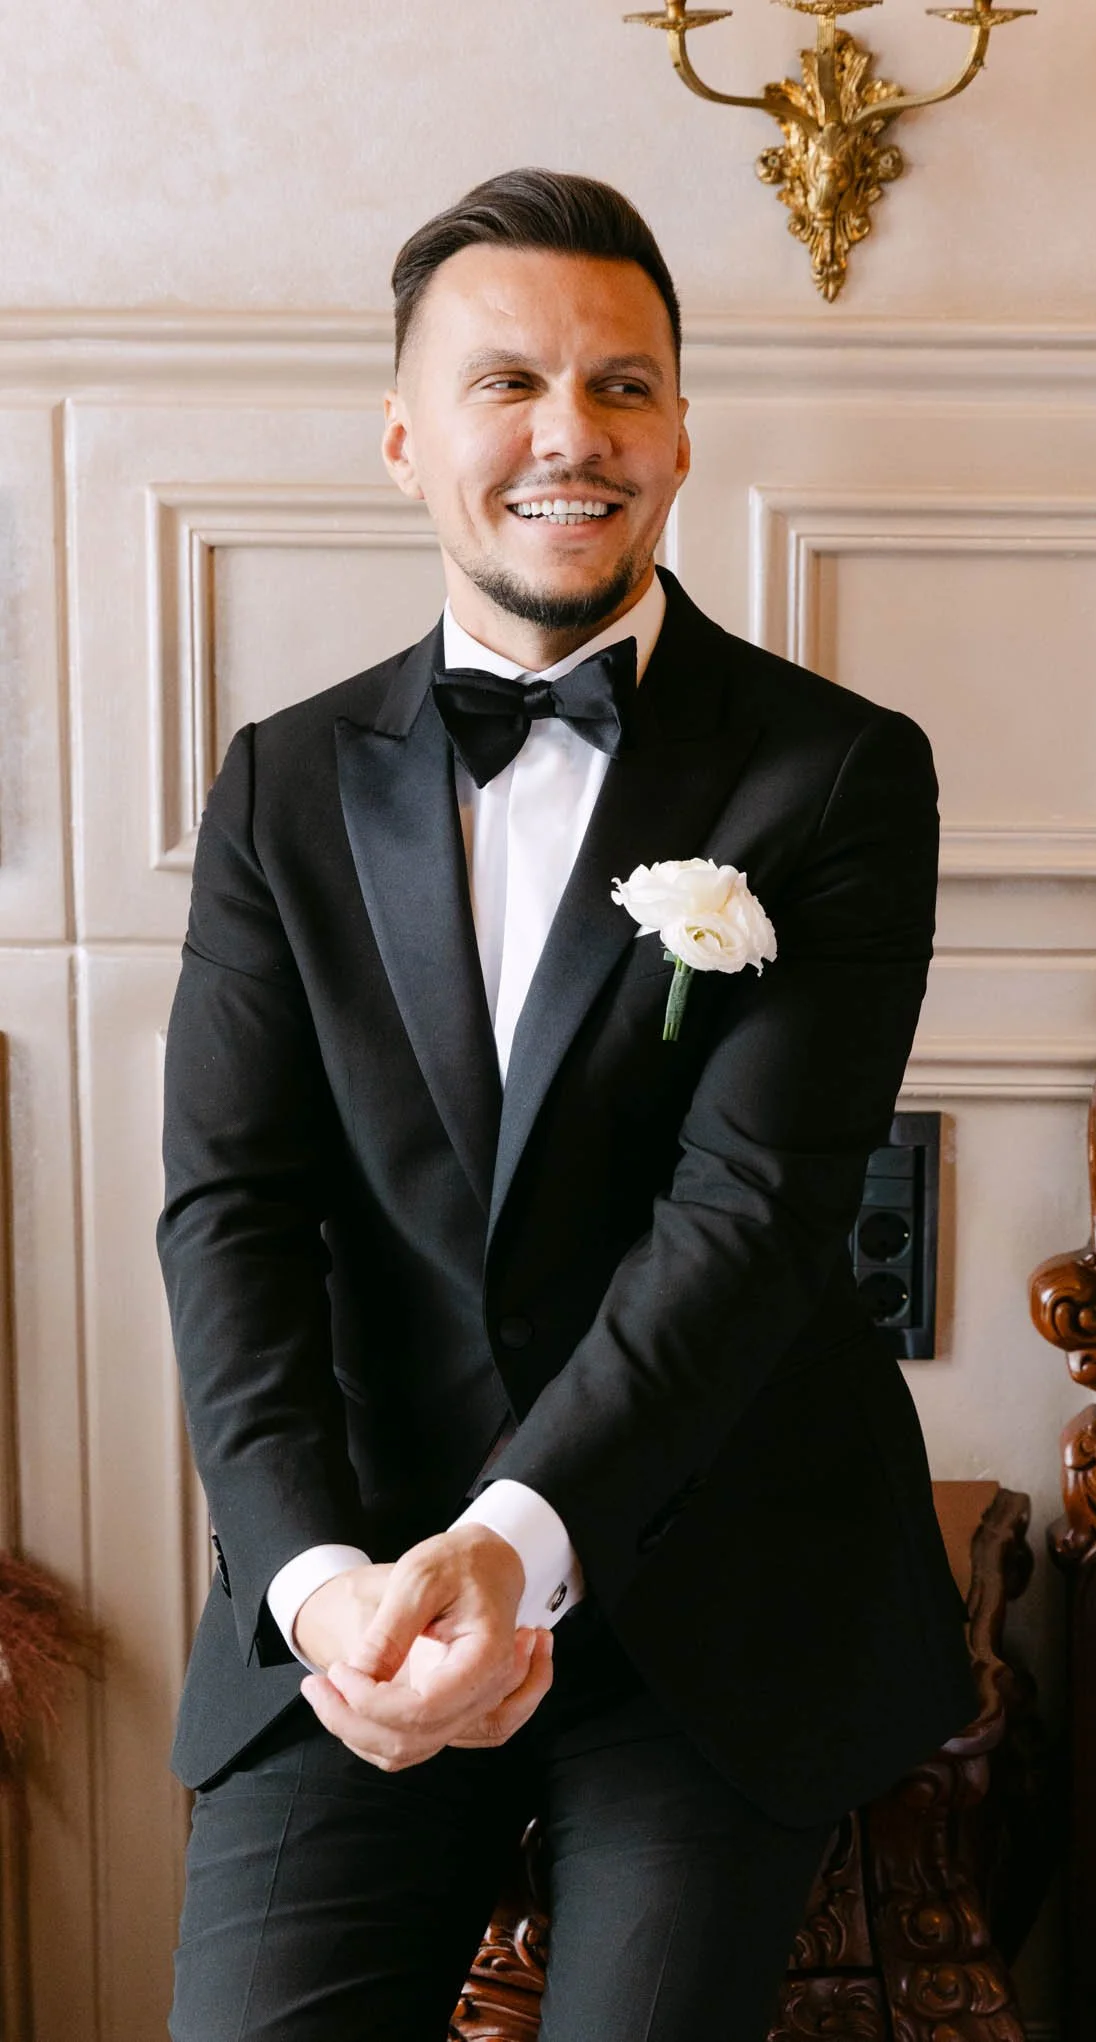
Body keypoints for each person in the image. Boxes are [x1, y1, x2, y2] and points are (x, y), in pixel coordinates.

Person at [159, 167, 975, 2042]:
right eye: (506, 380)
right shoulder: (279, 783)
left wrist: (512, 1542)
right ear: (402, 437)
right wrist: (318, 1591)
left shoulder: (839, 775)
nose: (569, 433)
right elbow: (233, 1213)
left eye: (622, 385)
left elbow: (752, 1215)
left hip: (714, 1583)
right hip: (364, 1560)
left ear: (683, 434)